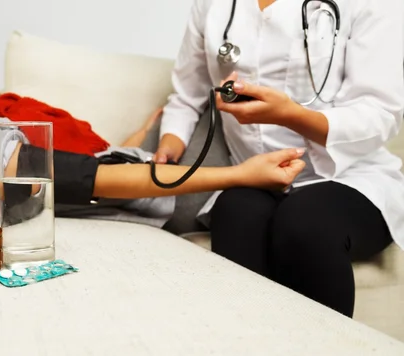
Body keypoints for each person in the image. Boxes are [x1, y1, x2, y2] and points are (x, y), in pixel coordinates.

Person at [0, 13, 306, 222]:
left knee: (231, 92)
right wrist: (240, 176)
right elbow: (77, 177)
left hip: (153, 158)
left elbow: (90, 159)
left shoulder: (2, 110)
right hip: (171, 184)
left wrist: (143, 133)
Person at [154, 0, 404, 317]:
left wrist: (290, 116)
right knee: (235, 209)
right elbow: (188, 96)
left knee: (305, 220)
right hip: (257, 176)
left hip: (350, 177)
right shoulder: (213, 4)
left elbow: (379, 114)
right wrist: (168, 148)